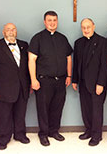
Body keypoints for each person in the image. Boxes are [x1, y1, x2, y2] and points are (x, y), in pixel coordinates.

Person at [28, 11, 73, 146]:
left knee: (57, 107)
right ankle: (43, 134)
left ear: (57, 21)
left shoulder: (62, 38)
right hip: (43, 81)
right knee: (43, 108)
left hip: (61, 80)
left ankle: (54, 131)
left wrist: (69, 75)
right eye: (49, 20)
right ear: (44, 22)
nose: (52, 23)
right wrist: (33, 80)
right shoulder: (37, 38)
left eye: (54, 20)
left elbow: (68, 58)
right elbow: (32, 60)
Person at [0, 23, 31, 150]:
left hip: (22, 87)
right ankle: (3, 139)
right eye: (8, 29)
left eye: (13, 29)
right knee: (3, 115)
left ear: (16, 31)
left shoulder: (24, 45)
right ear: (3, 32)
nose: (11, 31)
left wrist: (30, 84)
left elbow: (27, 67)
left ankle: (20, 135)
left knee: (20, 114)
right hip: (3, 89)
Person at [72, 18, 107, 146]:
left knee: (96, 111)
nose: (86, 30)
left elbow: (105, 65)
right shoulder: (78, 43)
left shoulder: (103, 42)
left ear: (93, 26)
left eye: (88, 27)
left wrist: (101, 83)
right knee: (86, 109)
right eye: (83, 27)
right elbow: (76, 63)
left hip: (97, 84)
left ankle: (96, 135)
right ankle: (88, 130)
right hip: (83, 83)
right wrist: (75, 80)